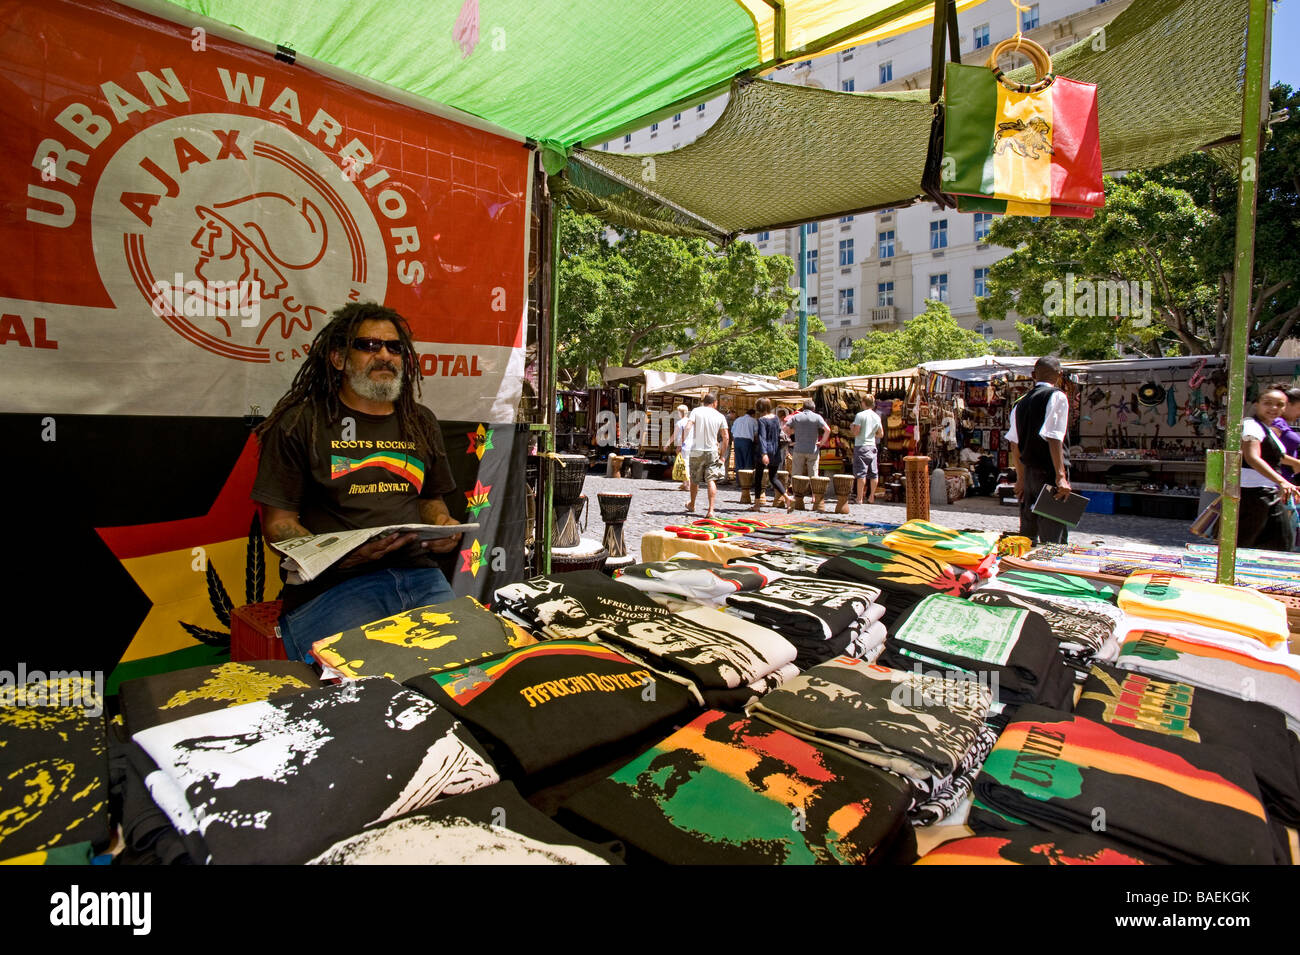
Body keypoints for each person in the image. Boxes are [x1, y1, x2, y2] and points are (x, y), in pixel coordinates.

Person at [252, 302, 464, 662]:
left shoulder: (420, 422)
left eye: (394, 347)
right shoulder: (301, 421)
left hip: (421, 577)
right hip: (333, 589)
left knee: (469, 672)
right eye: (368, 346)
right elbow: (278, 525)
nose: (384, 355)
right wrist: (337, 557)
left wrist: (442, 527)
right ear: (338, 359)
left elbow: (431, 500)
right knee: (365, 695)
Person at [1006, 356, 1072, 544]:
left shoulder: (1020, 402)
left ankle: (1026, 569)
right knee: (1053, 535)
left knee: (1029, 534)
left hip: (1029, 475)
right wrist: (1061, 476)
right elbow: (1054, 436)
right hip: (1049, 473)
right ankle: (1050, 569)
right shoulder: (1057, 396)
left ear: (1033, 375)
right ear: (1060, 375)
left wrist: (1020, 478)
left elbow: (1014, 443)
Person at [1239, 385, 1300, 551]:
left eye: (1279, 404)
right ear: (1257, 404)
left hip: (1266, 493)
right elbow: (1252, 457)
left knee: (1280, 541)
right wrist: (1282, 481)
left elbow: (1274, 457)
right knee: (1246, 543)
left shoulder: (1268, 429)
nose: (1273, 408)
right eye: (1268, 403)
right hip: (1252, 494)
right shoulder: (1251, 425)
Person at [684, 392, 729, 518]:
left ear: (703, 401)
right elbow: (725, 437)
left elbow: (688, 427)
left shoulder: (696, 411)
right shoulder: (720, 416)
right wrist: (722, 455)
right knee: (711, 479)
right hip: (712, 450)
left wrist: (683, 442)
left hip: (696, 450)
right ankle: (711, 510)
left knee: (694, 479)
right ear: (715, 403)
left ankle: (692, 504)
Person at [752, 397, 788, 510]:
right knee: (773, 477)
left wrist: (763, 454)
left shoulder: (762, 420)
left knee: (758, 478)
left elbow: (762, 437)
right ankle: (787, 497)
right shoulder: (776, 418)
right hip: (775, 450)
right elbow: (778, 434)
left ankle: (757, 504)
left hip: (765, 451)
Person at [850, 394, 883, 505]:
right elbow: (881, 434)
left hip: (861, 446)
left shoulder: (860, 415)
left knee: (861, 473)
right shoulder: (877, 416)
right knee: (874, 473)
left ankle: (859, 498)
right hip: (872, 446)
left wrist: (852, 428)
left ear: (863, 403)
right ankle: (871, 497)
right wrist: (872, 434)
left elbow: (856, 432)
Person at [785, 398, 831, 480]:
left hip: (798, 448)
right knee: (813, 475)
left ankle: (796, 492)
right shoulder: (817, 417)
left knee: (796, 475)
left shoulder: (796, 417)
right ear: (813, 408)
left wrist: (790, 437)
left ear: (803, 408)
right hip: (812, 449)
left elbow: (785, 429)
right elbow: (827, 430)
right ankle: (814, 492)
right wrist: (821, 442)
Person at [666, 403, 692, 491]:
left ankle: (687, 484)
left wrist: (667, 443)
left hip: (684, 446)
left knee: (684, 464)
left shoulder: (680, 423)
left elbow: (674, 435)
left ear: (680, 413)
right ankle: (685, 483)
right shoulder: (691, 422)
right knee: (687, 464)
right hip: (692, 446)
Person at [731, 408, 758, 480]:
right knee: (747, 461)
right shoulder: (753, 420)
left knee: (738, 461)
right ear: (753, 414)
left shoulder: (738, 420)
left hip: (737, 440)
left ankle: (739, 480)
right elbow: (756, 433)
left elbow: (732, 431)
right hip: (747, 441)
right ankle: (747, 480)